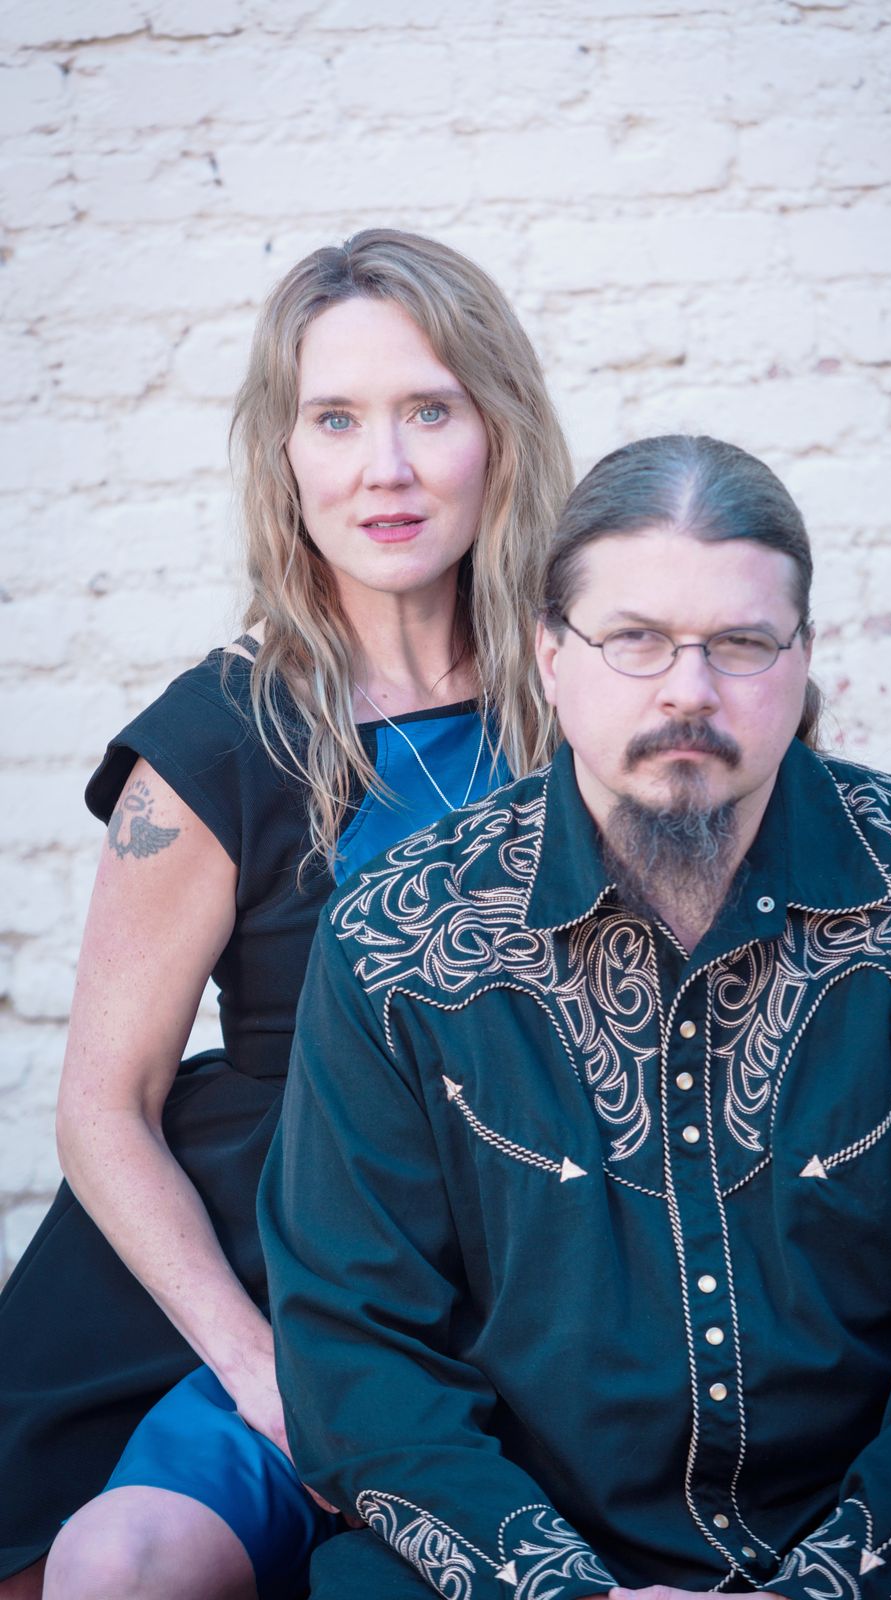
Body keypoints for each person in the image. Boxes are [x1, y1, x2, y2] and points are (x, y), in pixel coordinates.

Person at [260, 433, 891, 1600]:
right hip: (530, 1548)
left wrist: (834, 1583)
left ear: (801, 657)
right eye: (633, 638)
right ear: (549, 654)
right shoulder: (395, 939)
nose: (688, 690)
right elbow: (356, 1351)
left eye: (740, 643)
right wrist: (562, 1590)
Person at [0, 228, 571, 1600]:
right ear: (285, 453)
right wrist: (265, 1374)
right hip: (292, 1281)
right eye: (336, 418)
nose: (384, 468)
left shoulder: (590, 698)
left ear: (498, 430)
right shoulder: (218, 739)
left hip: (559, 1278)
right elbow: (103, 1108)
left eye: (427, 410)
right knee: (124, 1569)